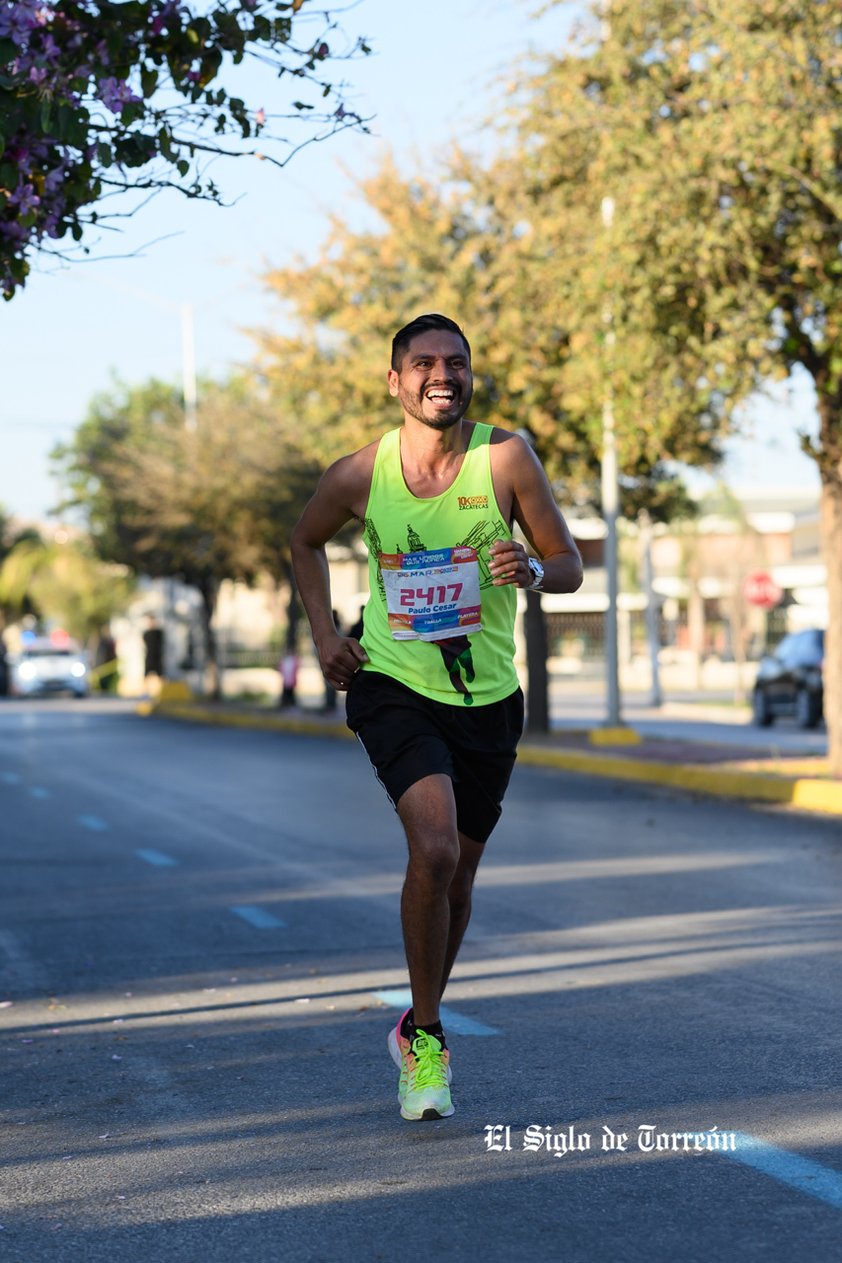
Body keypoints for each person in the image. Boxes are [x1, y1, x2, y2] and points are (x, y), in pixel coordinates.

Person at [291, 313, 583, 1122]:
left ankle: (415, 1016)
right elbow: (304, 542)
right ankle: (427, 1037)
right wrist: (326, 634)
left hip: (489, 697)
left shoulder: (505, 457)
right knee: (435, 843)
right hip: (391, 682)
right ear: (396, 381)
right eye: (422, 363)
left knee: (458, 875)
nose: (440, 375)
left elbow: (569, 565)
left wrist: (530, 567)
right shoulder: (358, 474)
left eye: (455, 361)